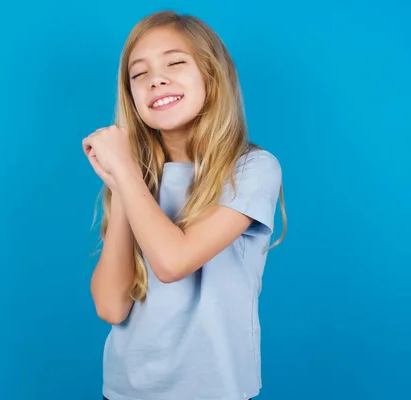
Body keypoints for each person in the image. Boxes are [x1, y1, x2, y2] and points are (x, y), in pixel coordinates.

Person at [82, 10, 287, 400]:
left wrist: (125, 173)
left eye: (175, 63)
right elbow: (111, 307)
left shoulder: (252, 169)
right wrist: (127, 183)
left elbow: (173, 262)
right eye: (138, 74)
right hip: (124, 391)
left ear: (212, 76)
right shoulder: (137, 178)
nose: (156, 79)